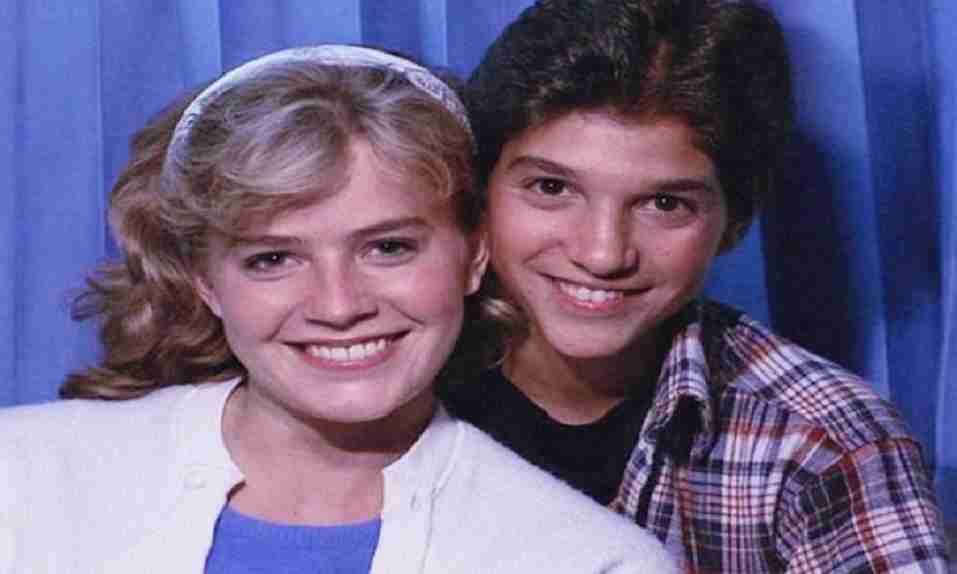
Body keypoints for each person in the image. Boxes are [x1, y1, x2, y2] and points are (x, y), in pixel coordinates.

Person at [0, 45, 676, 573]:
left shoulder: (589, 560)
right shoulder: (22, 473)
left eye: (388, 247)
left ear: (474, 255)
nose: (339, 305)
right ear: (204, 279)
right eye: (272, 258)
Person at [438, 1, 951, 572]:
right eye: (552, 188)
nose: (602, 254)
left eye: (665, 204)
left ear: (733, 222)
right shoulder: (399, 384)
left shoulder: (825, 443)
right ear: (479, 194)